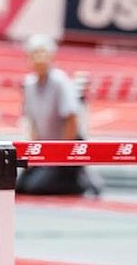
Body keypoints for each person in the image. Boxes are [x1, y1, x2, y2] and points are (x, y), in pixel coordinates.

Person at [15, 34, 102, 196]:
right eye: (35, 54)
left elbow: (71, 119)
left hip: (65, 146)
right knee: (20, 187)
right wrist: (35, 153)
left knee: (37, 188)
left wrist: (63, 153)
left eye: (43, 53)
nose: (39, 58)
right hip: (44, 148)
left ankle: (82, 180)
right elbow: (32, 122)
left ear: (51, 56)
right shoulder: (29, 84)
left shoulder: (60, 81)